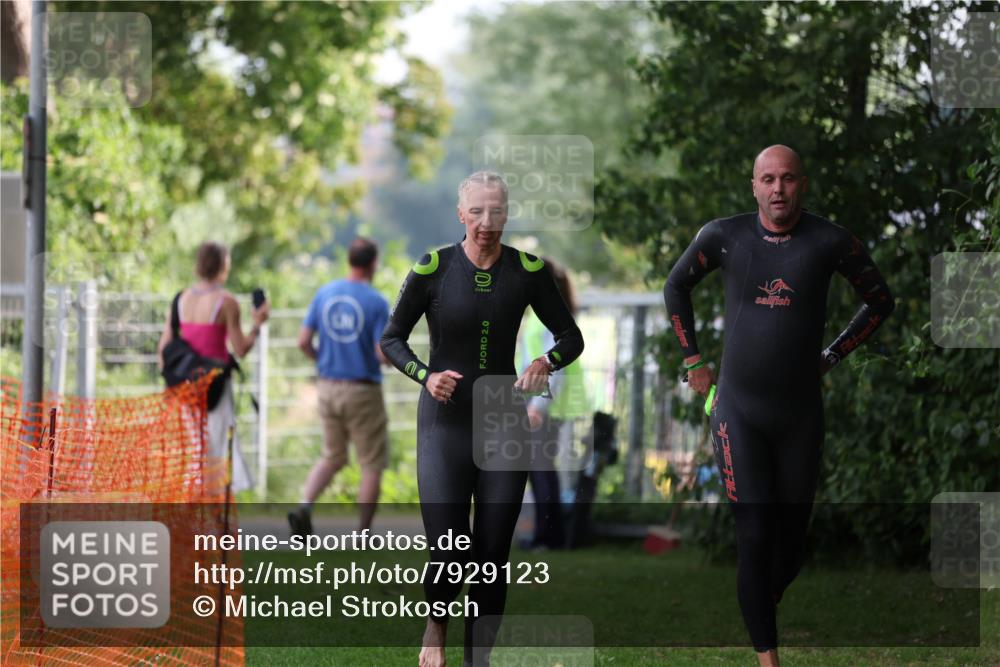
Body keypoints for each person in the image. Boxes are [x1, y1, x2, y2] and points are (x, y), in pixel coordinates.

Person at [663, 145, 895, 667]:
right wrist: (693, 360)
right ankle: (768, 658)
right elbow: (676, 286)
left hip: (799, 416)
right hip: (738, 412)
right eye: (767, 179)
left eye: (787, 179)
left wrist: (833, 354)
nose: (778, 189)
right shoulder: (723, 236)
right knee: (754, 534)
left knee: (790, 548)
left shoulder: (830, 241)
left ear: (802, 184)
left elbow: (881, 300)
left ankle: (761, 605)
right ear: (753, 186)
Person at [380, 171, 584, 667]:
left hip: (503, 420)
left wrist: (545, 363)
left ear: (506, 214)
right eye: (476, 211)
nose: (486, 221)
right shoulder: (434, 267)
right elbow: (391, 338)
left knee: (492, 555)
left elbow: (571, 338)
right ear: (461, 214)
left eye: (495, 211)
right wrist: (426, 376)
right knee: (449, 549)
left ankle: (478, 660)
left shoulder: (528, 270)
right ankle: (436, 625)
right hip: (444, 423)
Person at [289, 238, 391, 537]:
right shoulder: (376, 301)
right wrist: (393, 360)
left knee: (333, 456)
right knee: (371, 463)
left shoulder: (325, 293)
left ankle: (304, 506)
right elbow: (381, 353)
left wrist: (323, 360)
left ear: (349, 260)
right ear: (373, 263)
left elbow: (302, 341)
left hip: (328, 387)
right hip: (363, 390)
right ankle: (362, 534)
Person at [157, 241, 270, 493]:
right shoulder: (227, 302)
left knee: (193, 450)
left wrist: (174, 382)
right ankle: (213, 507)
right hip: (216, 385)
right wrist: (257, 325)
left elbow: (163, 348)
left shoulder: (181, 299)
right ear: (223, 266)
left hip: (185, 387)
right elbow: (240, 348)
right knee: (217, 449)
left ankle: (194, 504)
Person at [518, 258, 589, 551]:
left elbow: (554, 368)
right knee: (541, 469)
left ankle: (548, 537)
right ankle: (547, 535)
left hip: (547, 406)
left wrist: (538, 406)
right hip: (547, 404)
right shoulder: (545, 314)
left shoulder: (547, 316)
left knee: (541, 470)